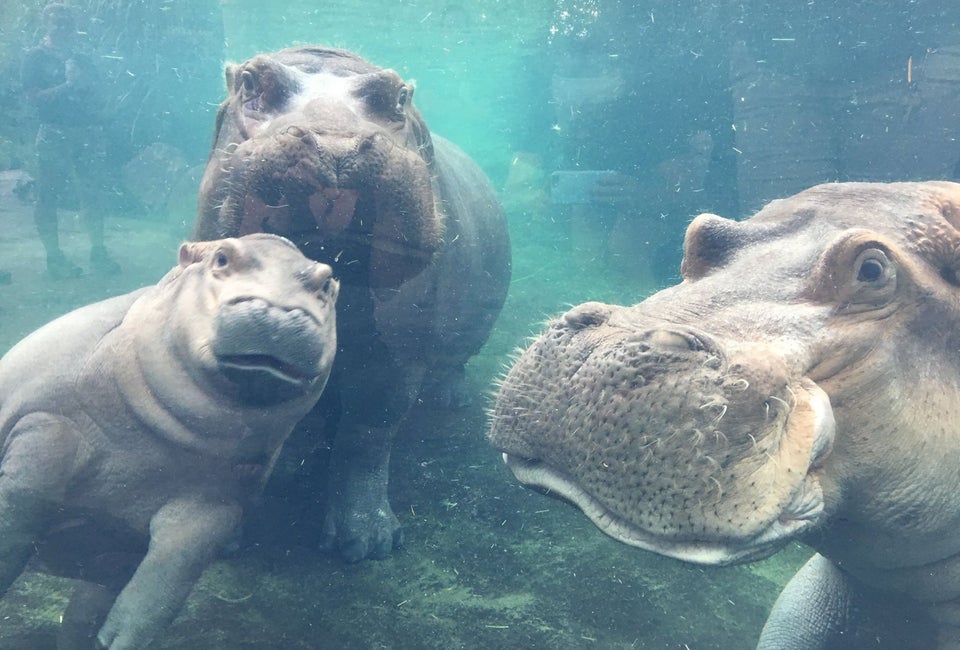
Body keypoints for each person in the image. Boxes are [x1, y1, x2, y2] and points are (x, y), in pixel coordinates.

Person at [21, 3, 119, 279]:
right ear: (46, 25)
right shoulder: (35, 58)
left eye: (68, 24)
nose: (63, 28)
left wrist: (88, 88)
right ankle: (54, 258)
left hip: (86, 132)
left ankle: (98, 252)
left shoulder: (82, 58)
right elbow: (32, 97)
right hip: (53, 132)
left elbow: (97, 93)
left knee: (92, 193)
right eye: (58, 24)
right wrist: (67, 86)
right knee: (48, 193)